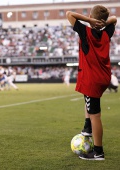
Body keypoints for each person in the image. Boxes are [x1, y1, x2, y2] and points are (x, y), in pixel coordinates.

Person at [66, 5, 117, 160]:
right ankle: (87, 127)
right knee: (87, 102)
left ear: (92, 18)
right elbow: (114, 19)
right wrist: (103, 22)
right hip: (103, 77)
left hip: (92, 79)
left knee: (96, 116)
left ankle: (98, 152)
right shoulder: (107, 32)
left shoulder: (85, 32)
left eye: (90, 15)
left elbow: (69, 14)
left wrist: (89, 20)